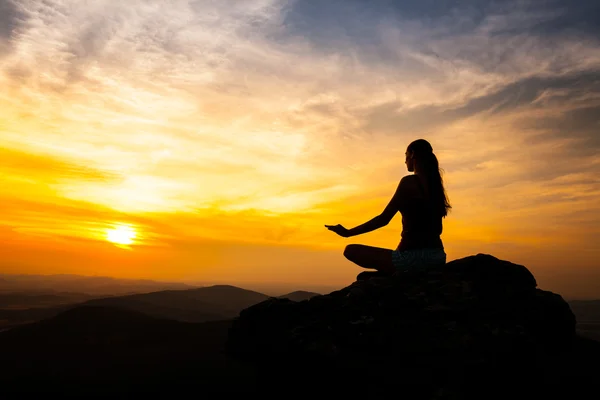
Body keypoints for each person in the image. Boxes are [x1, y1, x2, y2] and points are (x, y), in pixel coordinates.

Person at [325, 139, 451, 278]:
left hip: (413, 258)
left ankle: (400, 273)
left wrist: (348, 233)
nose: (405, 161)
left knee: (350, 250)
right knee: (365, 276)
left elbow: (383, 219)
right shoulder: (435, 186)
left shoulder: (408, 182)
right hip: (437, 256)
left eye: (406, 155)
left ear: (413, 155)